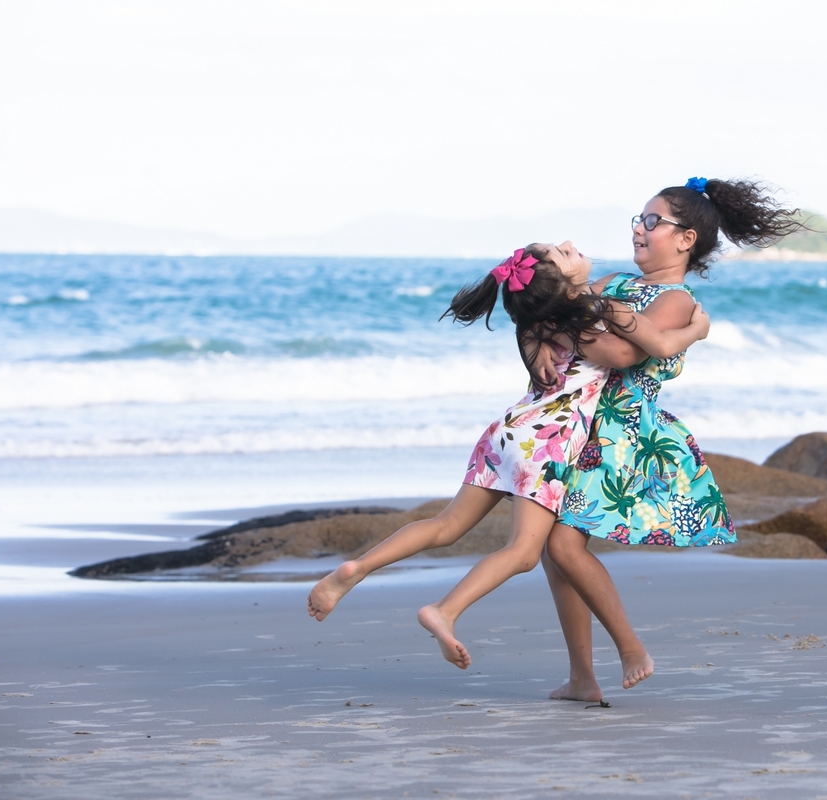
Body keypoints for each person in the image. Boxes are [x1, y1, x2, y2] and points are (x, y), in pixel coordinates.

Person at [306, 241, 710, 678]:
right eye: (563, 254)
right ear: (565, 285)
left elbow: (543, 326)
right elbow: (641, 351)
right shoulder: (592, 319)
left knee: (446, 525)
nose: (571, 246)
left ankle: (357, 567)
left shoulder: (542, 320)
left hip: (511, 428)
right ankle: (446, 610)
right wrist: (696, 330)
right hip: (547, 443)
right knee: (522, 553)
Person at [538, 177, 801, 702]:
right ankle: (581, 678)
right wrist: (543, 336)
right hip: (574, 423)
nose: (640, 228)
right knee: (555, 550)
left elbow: (625, 352)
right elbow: (553, 310)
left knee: (564, 544)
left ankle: (631, 649)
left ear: (686, 239)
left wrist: (568, 324)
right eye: (639, 219)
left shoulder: (677, 301)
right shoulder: (613, 281)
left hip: (617, 434)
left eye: (653, 221)